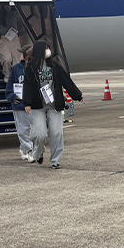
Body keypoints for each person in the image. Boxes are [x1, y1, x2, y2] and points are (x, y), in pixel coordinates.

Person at [23, 41, 83, 169]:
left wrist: (78, 96)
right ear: (39, 51)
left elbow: (67, 81)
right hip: (37, 105)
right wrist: (27, 103)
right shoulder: (31, 68)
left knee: (56, 133)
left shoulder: (55, 66)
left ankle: (55, 160)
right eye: (46, 48)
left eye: (49, 48)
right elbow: (27, 86)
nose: (48, 50)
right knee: (39, 134)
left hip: (54, 105)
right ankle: (38, 153)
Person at [6, 44, 34, 161]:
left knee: (32, 129)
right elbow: (9, 86)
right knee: (23, 129)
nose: (20, 54)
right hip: (20, 104)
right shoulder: (16, 68)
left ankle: (24, 149)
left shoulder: (34, 68)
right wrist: (12, 97)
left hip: (32, 104)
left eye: (22, 53)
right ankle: (30, 150)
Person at [0, 5, 24, 77]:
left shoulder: (16, 14)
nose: (8, 6)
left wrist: (20, 36)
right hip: (4, 37)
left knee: (17, 60)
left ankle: (17, 77)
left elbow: (20, 26)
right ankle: (7, 75)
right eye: (6, 5)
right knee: (6, 58)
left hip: (15, 37)